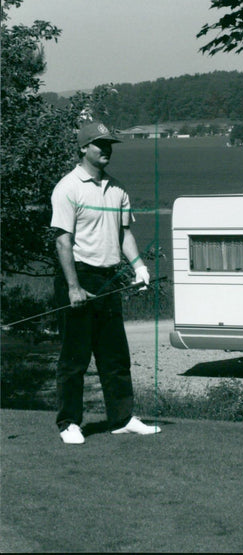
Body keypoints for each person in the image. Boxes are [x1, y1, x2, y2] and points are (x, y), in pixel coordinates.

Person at [50, 121, 161, 444]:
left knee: (114, 355)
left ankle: (122, 418)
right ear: (84, 147)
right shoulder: (68, 188)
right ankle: (69, 422)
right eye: (100, 144)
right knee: (75, 357)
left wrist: (139, 267)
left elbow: (124, 234)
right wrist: (72, 286)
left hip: (110, 278)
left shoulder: (118, 189)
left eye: (110, 144)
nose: (107, 150)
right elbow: (62, 241)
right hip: (79, 277)